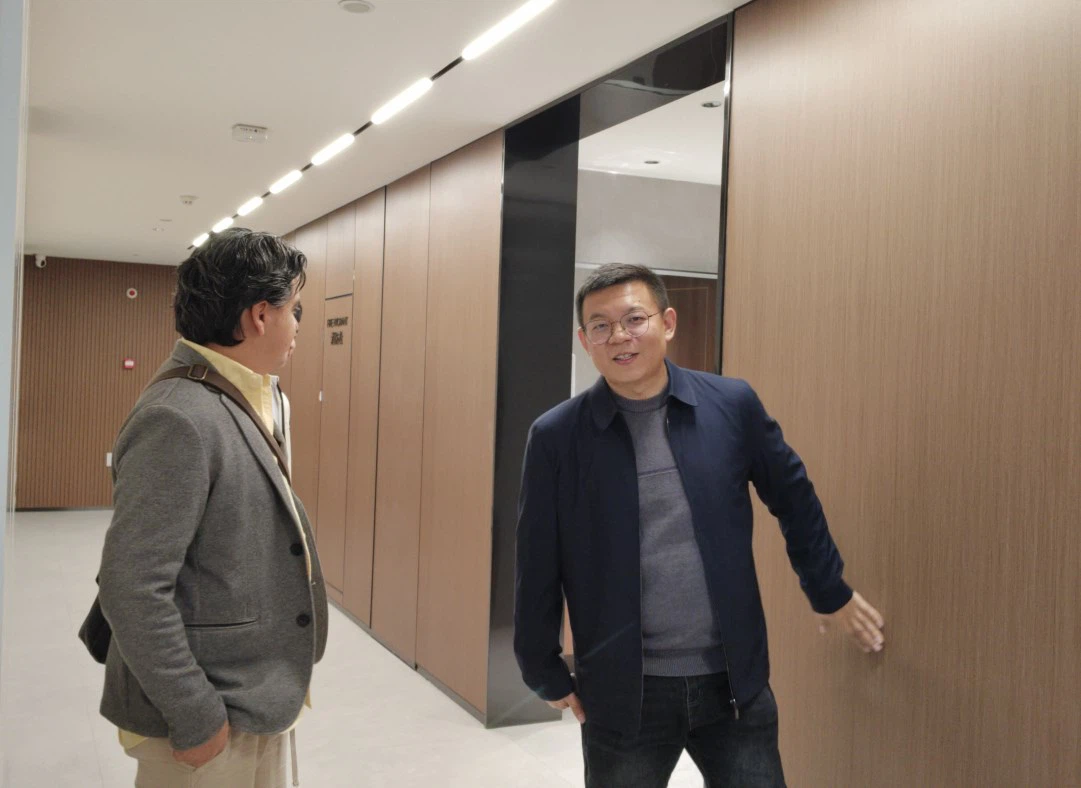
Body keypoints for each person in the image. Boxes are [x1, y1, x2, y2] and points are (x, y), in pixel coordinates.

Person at [514, 263, 885, 787]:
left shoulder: (731, 406)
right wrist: (539, 662)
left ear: (667, 322)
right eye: (600, 325)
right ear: (584, 340)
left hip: (735, 683)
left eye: (634, 318)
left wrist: (828, 589)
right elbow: (537, 556)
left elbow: (794, 497)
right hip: (624, 690)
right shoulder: (557, 436)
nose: (619, 336)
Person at [96, 228, 328, 787]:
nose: (299, 326)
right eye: (294, 309)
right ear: (258, 316)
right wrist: (194, 713)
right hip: (210, 711)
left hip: (259, 693)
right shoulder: (178, 416)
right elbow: (132, 586)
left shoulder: (255, 395)